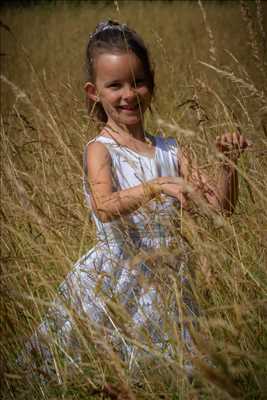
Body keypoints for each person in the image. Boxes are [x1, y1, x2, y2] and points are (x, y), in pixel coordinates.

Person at [24, 20, 249, 376]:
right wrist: (155, 187)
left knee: (173, 371)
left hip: (167, 278)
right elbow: (104, 206)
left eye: (138, 82)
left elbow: (220, 209)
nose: (128, 94)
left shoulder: (172, 149)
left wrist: (227, 164)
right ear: (93, 91)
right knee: (107, 367)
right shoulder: (101, 150)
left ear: (151, 85)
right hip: (116, 276)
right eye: (115, 85)